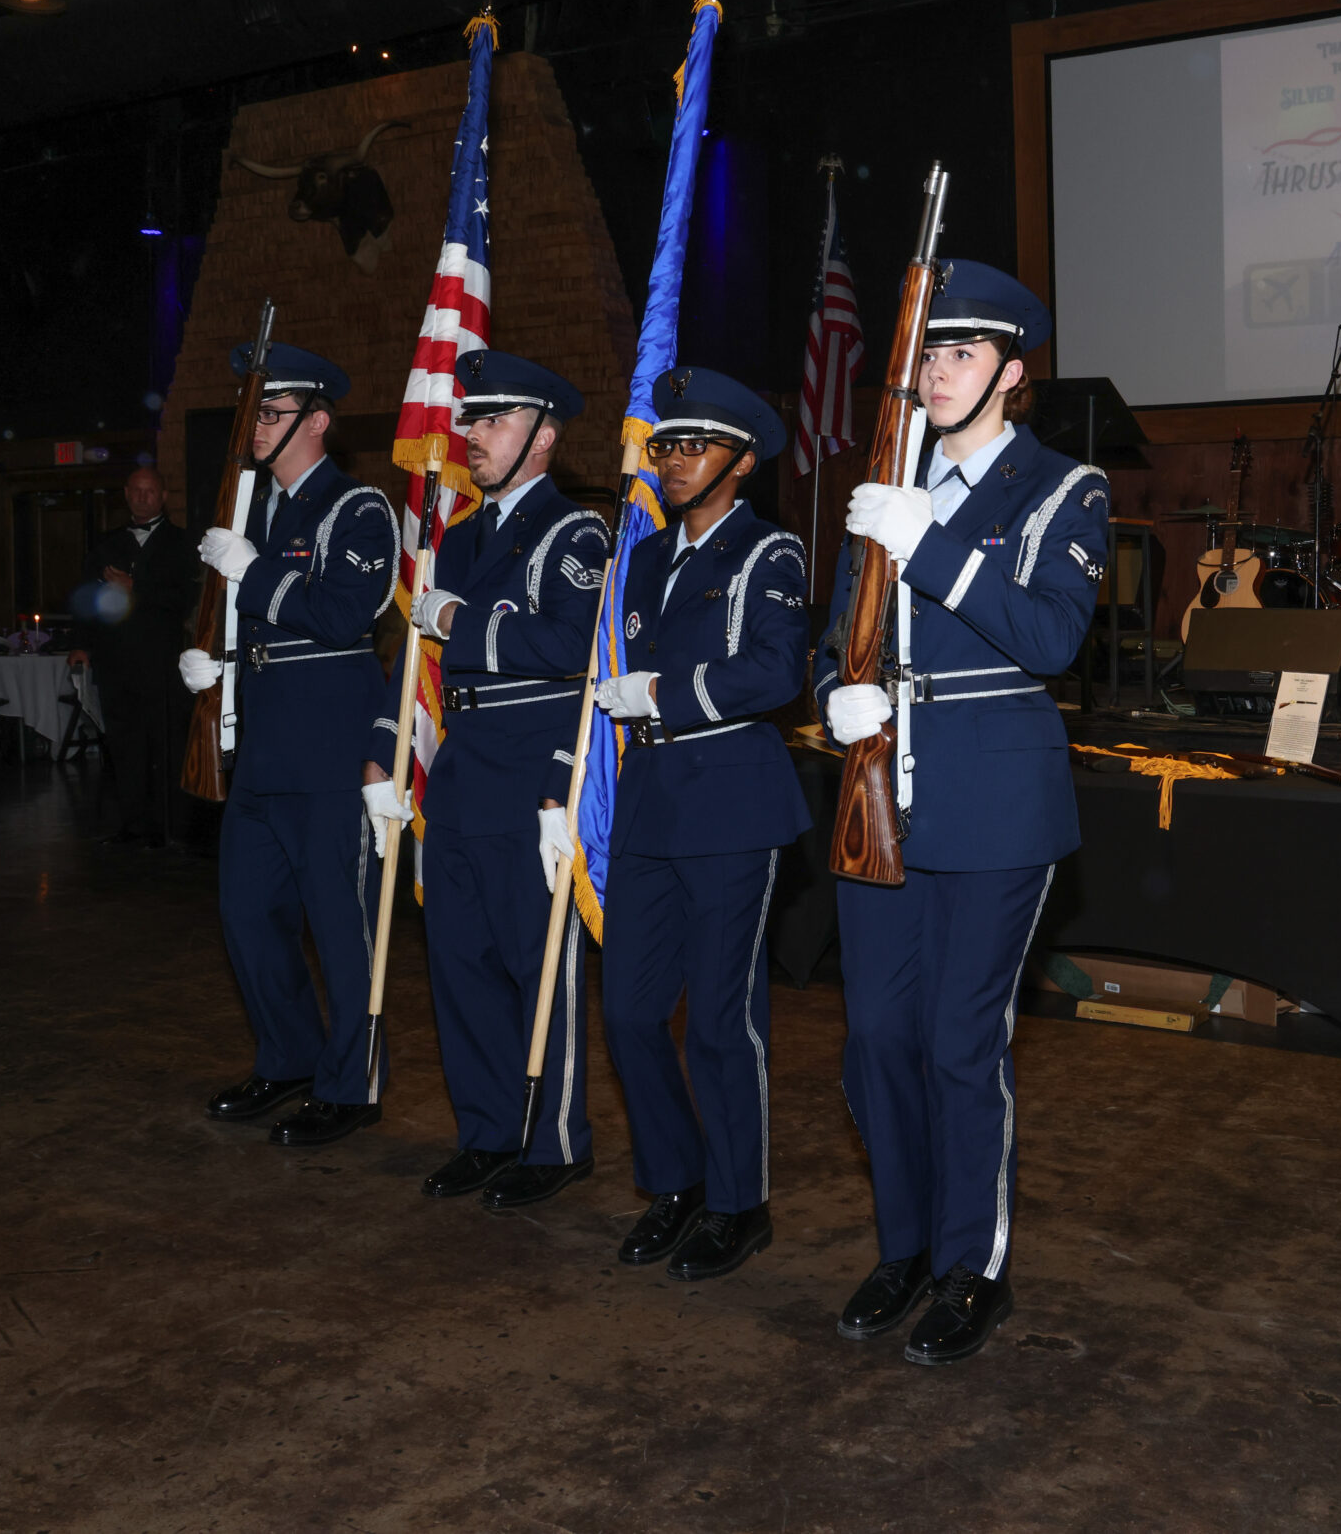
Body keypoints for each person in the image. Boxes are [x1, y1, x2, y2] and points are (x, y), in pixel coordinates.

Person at [814, 262, 1108, 1366]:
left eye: (965, 353)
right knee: (875, 1041)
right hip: (878, 792)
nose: (939, 371)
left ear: (1012, 373)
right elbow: (837, 630)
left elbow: (1047, 639)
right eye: (928, 353)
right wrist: (835, 695)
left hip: (994, 802)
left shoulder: (1060, 487)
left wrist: (924, 543)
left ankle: (966, 1266)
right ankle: (902, 1246)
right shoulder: (887, 477)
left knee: (956, 1044)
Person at [363, 350, 610, 1212]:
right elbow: (420, 668)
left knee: (536, 960)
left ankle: (555, 1142)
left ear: (543, 439)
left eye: (494, 422)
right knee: (461, 962)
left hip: (534, 766)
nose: (470, 436)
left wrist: (463, 620)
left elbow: (572, 649)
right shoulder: (458, 538)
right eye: (471, 419)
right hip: (463, 765)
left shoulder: (574, 533)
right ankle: (487, 1132)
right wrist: (394, 748)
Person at [590, 369, 810, 1280]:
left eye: (694, 447)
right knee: (630, 1012)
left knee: (722, 1021)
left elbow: (775, 674)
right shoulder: (638, 560)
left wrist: (665, 696)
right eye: (665, 447)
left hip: (731, 805)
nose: (674, 462)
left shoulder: (770, 554)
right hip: (647, 807)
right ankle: (675, 1182)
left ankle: (737, 1201)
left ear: (742, 461)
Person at [179, 344, 399, 1148]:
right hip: (263, 745)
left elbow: (345, 611)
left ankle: (352, 1084)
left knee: (340, 923)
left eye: (271, 413)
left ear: (318, 421)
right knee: (247, 913)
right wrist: (217, 665)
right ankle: (290, 1057)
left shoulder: (357, 507)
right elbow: (243, 617)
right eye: (254, 412)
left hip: (331, 745)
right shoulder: (252, 509)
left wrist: (256, 572)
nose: (256, 427)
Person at [80, 465, 199, 848]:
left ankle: (170, 828)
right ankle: (132, 826)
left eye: (150, 491)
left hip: (162, 665)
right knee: (124, 746)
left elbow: (182, 602)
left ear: (163, 496)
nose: (142, 497)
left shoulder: (182, 543)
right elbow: (88, 601)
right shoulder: (106, 543)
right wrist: (82, 645)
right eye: (136, 491)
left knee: (166, 746)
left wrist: (137, 588)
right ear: (127, 494)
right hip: (116, 664)